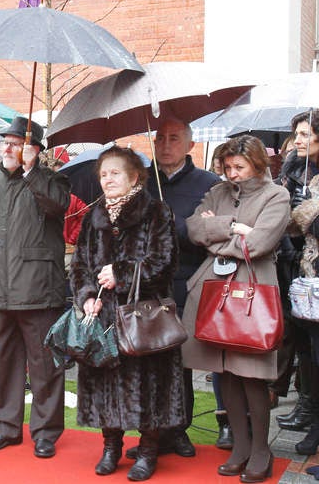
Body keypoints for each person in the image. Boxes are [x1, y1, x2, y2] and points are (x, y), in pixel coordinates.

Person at [69, 146, 184, 481]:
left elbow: (164, 264)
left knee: (148, 385)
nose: (108, 180)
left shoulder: (156, 212)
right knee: (105, 383)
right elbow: (79, 266)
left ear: (135, 176)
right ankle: (110, 447)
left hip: (141, 318)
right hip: (104, 317)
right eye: (103, 174)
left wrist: (122, 272)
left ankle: (148, 451)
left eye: (115, 173)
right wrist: (87, 295)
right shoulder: (94, 216)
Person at [0, 116, 70, 459]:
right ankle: (7, 428)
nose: (7, 147)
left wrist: (31, 172)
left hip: (38, 290)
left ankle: (45, 432)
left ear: (34, 149)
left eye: (15, 142)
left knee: (44, 366)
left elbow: (57, 206)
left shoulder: (52, 181)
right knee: (4, 365)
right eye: (4, 142)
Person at [183, 135, 289, 482]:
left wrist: (222, 237)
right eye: (227, 167)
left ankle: (261, 450)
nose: (233, 174)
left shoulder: (277, 195)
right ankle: (241, 447)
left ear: (257, 164)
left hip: (252, 292)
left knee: (252, 375)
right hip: (215, 290)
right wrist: (232, 227)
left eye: (239, 167)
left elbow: (258, 244)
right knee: (223, 370)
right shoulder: (218, 192)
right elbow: (194, 228)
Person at [132, 118, 220, 458]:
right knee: (145, 363)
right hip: (146, 286)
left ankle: (178, 429)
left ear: (190, 146)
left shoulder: (209, 184)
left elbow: (208, 233)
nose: (166, 145)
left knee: (179, 362)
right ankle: (149, 433)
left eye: (174, 138)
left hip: (186, 284)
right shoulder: (140, 182)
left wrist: (176, 227)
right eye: (161, 139)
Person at [277, 110, 319, 453]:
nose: (299, 141)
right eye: (299, 134)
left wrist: (310, 213)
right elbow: (286, 224)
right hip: (299, 274)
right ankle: (309, 410)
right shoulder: (295, 169)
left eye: (306, 134)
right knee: (305, 349)